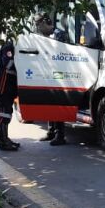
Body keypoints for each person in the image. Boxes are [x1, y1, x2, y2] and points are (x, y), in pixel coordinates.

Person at [35, 12, 68, 146]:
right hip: (47, 73)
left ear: (45, 22)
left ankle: (60, 135)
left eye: (38, 24)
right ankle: (51, 132)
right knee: (49, 103)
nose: (37, 27)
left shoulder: (58, 35)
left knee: (58, 104)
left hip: (59, 73)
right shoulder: (42, 36)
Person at [0, 38, 20, 151]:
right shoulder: (8, 47)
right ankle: (3, 142)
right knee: (4, 114)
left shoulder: (14, 47)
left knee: (7, 113)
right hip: (4, 85)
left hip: (9, 86)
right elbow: (7, 63)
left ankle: (5, 139)